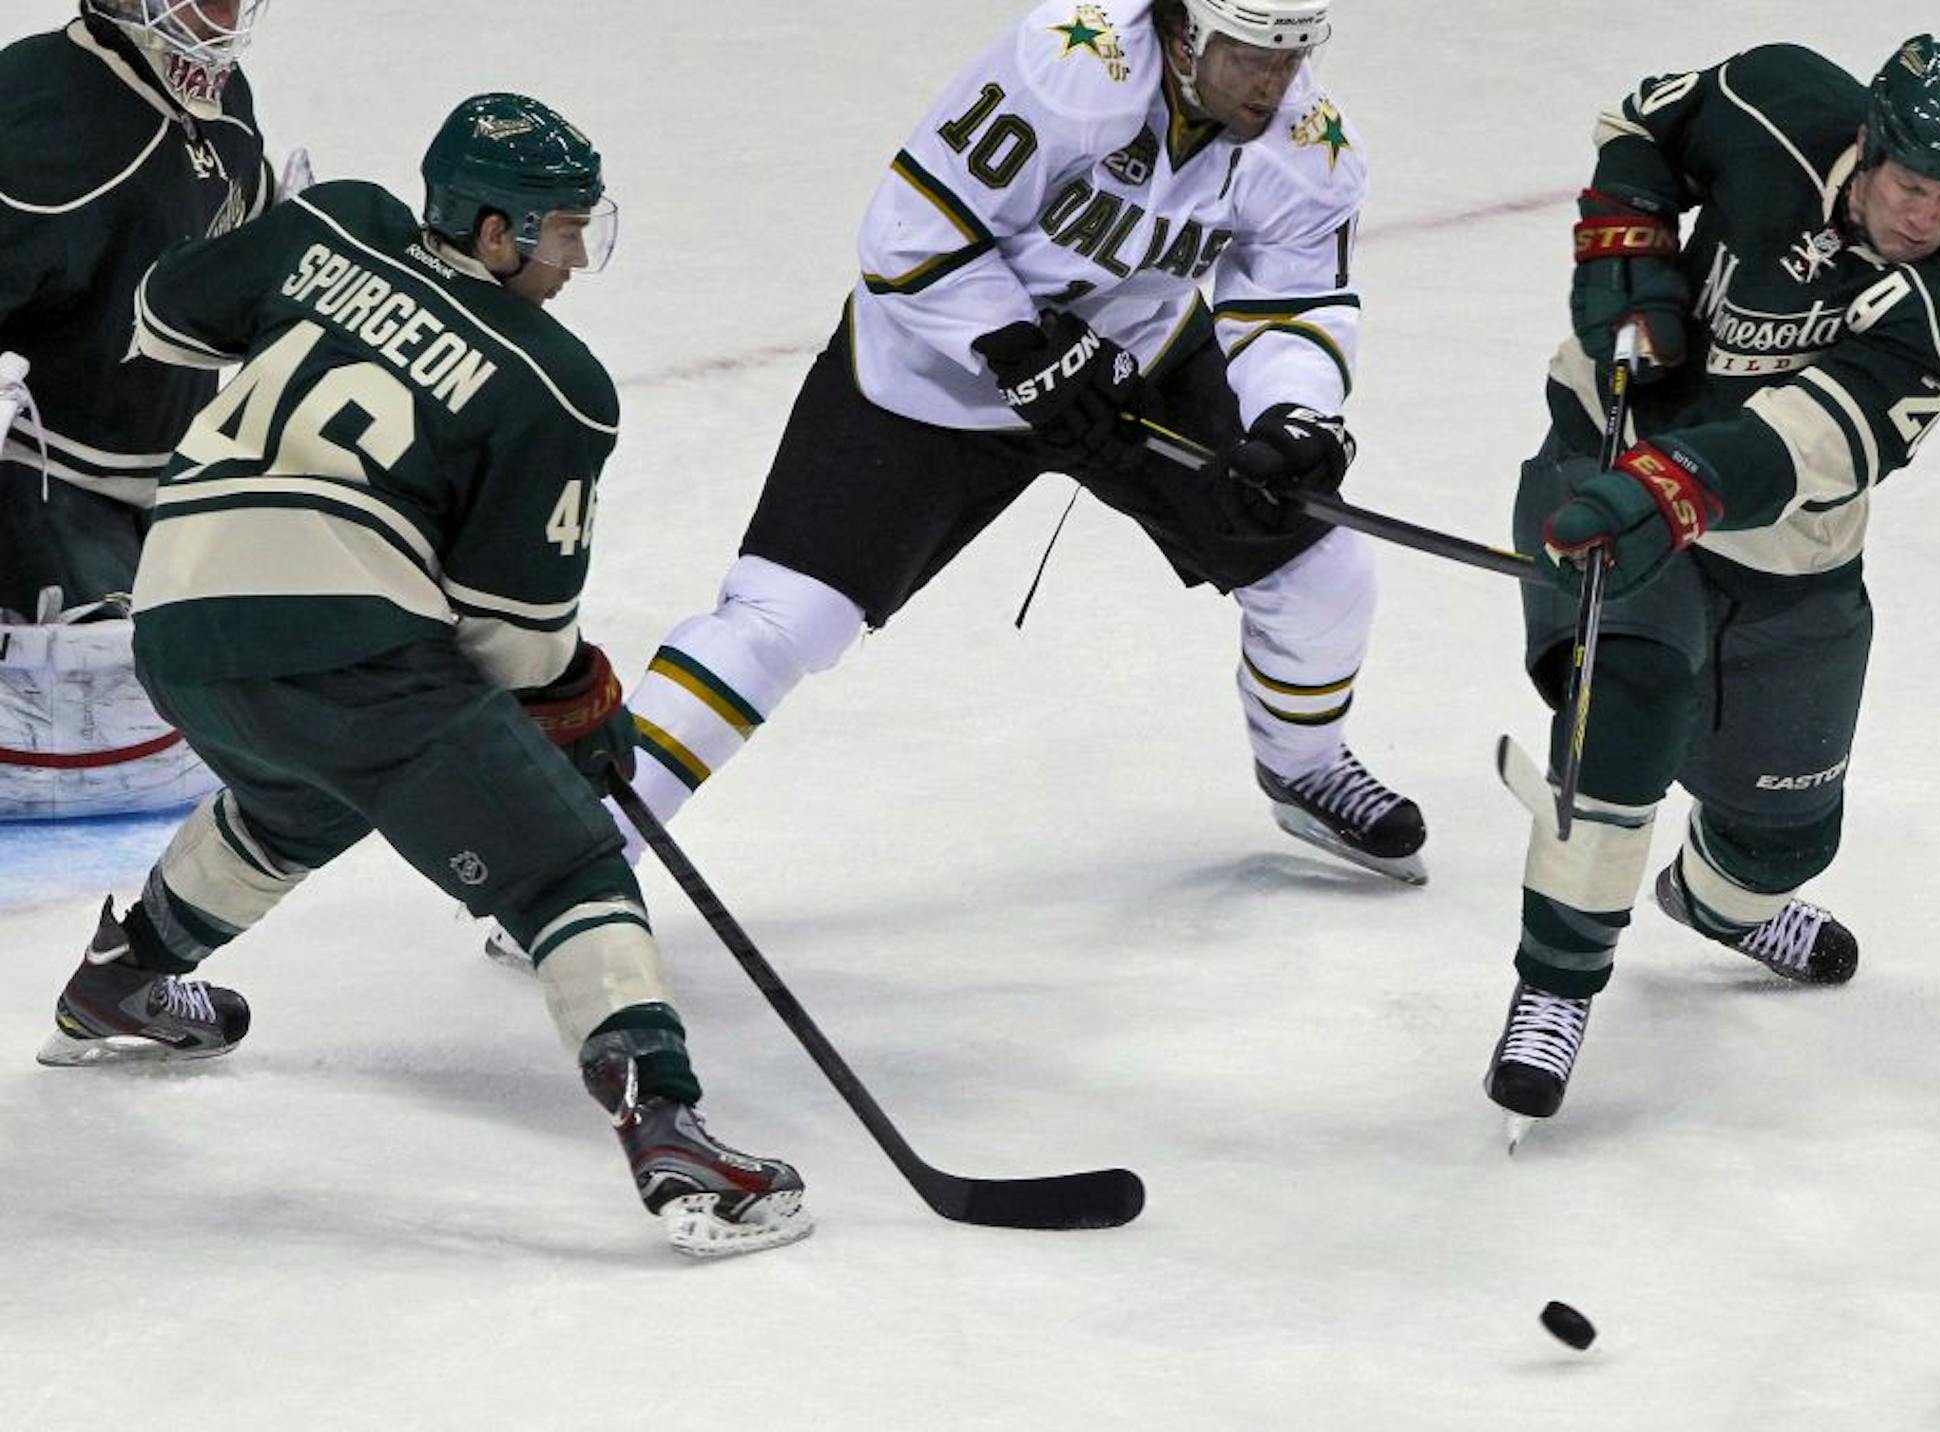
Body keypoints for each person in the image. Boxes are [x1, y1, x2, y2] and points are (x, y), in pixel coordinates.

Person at [31, 93, 812, 1261]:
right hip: (343, 638)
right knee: (565, 863)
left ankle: (126, 977)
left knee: (304, 797)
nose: (574, 261)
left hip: (176, 621)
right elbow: (511, 643)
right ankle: (673, 1133)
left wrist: (313, 293)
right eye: (557, 234)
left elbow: (160, 314)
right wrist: (576, 716)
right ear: (493, 233)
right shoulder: (557, 381)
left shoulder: (332, 223)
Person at [610, 0, 1424, 888]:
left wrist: (1295, 416)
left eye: (1293, 55)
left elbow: (1292, 303)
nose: (1275, 82)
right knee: (783, 618)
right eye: (1251, 55)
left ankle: (1303, 768)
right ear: (1183, 34)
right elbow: (912, 231)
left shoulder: (1309, 144)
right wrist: (1016, 344)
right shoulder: (1071, 65)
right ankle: (583, 852)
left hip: (1132, 364)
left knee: (1321, 572)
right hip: (931, 371)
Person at [1482, 36, 1940, 1138]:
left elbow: (1812, 442)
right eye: (1912, 186)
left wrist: (1676, 487)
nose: (1924, 217)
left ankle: (1716, 904)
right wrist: (1626, 256)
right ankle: (1554, 987)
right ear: (1869, 143)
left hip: (1785, 552)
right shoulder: (1773, 96)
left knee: (1784, 839)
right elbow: (1643, 130)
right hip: (1606, 451)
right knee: (1621, 712)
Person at [0, 1, 293, 820]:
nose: (227, 13)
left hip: (172, 475)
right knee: (104, 679)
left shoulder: (225, 103)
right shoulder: (37, 109)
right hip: (41, 475)